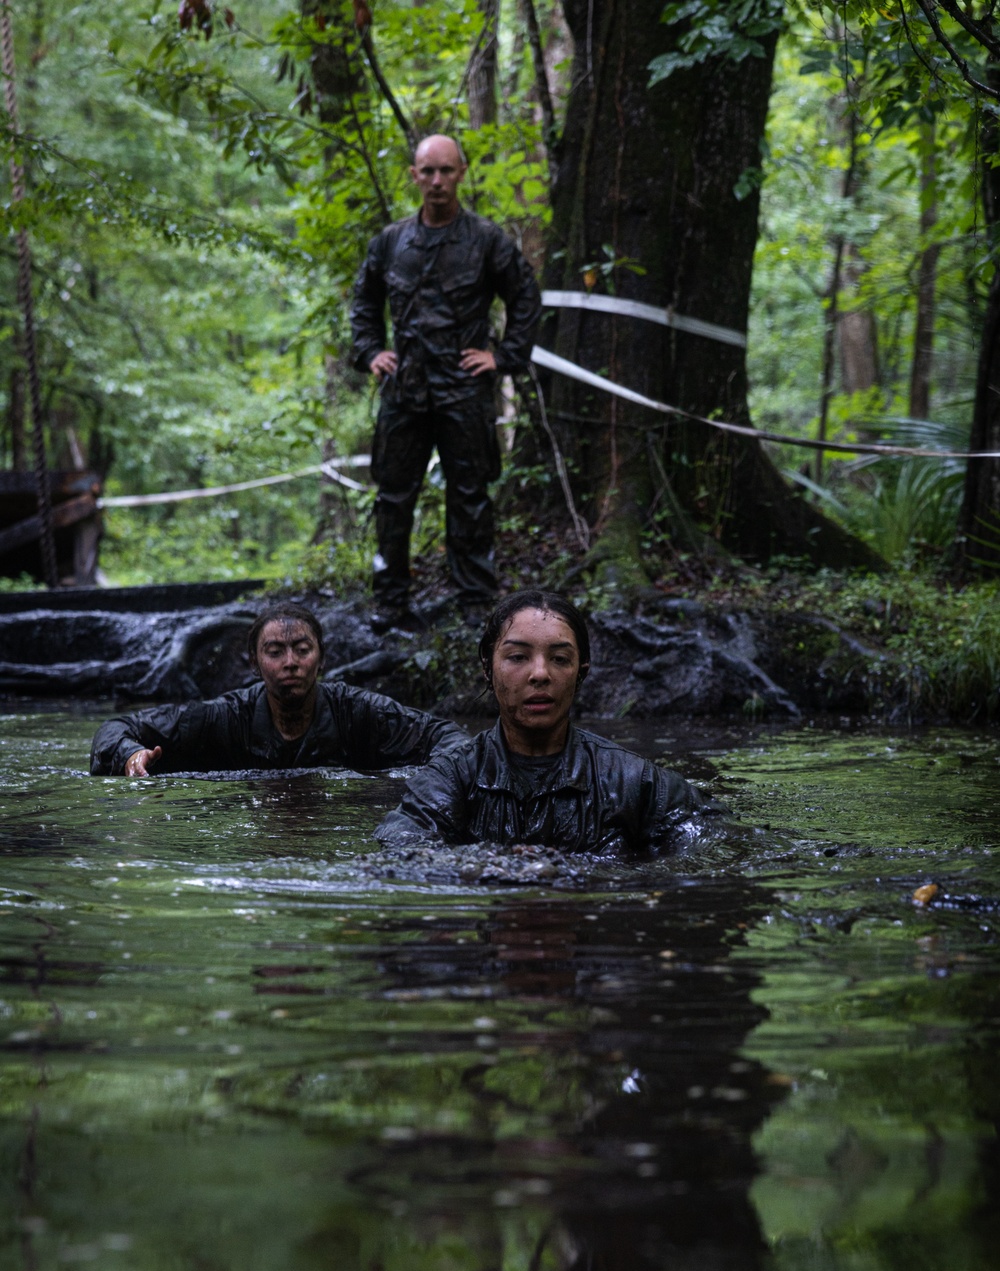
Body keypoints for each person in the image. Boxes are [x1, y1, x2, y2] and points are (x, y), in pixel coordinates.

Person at [350, 134, 542, 630]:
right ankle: (390, 603)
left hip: (463, 391)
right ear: (413, 175)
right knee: (393, 498)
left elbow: (525, 296)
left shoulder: (485, 240)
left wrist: (503, 357)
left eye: (447, 171)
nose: (437, 181)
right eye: (428, 171)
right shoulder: (391, 243)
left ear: (461, 174)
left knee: (470, 495)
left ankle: (476, 603)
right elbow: (364, 303)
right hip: (405, 392)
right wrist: (371, 352)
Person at [376, 590, 715, 853]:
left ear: (580, 674)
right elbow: (400, 843)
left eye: (559, 659)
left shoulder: (629, 781)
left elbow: (719, 836)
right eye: (518, 657)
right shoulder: (454, 777)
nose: (540, 674)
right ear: (487, 670)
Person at [90, 603, 466, 776]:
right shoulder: (224, 716)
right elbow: (116, 728)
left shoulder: (357, 711)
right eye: (275, 652)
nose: (290, 662)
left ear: (321, 658)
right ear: (254, 663)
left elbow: (447, 735)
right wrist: (130, 754)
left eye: (302, 650)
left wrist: (438, 776)